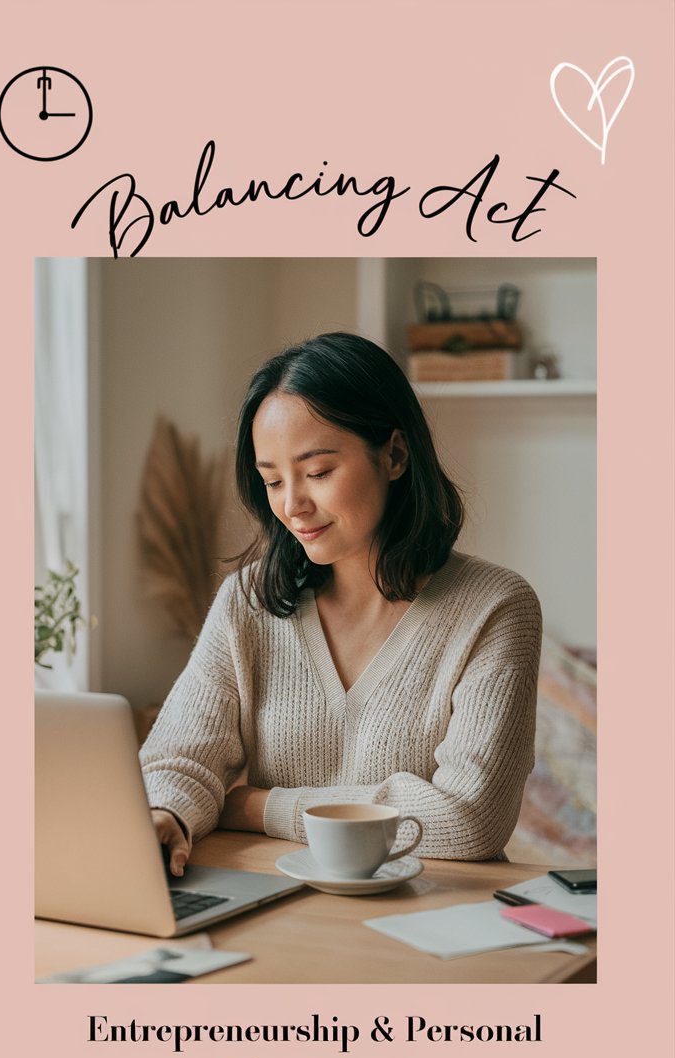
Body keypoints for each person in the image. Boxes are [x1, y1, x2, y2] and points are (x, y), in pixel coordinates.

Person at [140, 331, 542, 876]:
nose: (292, 505)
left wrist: (259, 806)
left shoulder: (495, 608)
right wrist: (169, 813)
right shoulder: (247, 602)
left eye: (318, 473)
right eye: (273, 480)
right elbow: (176, 760)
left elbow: (469, 819)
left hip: (431, 923)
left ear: (395, 455)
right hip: (277, 912)